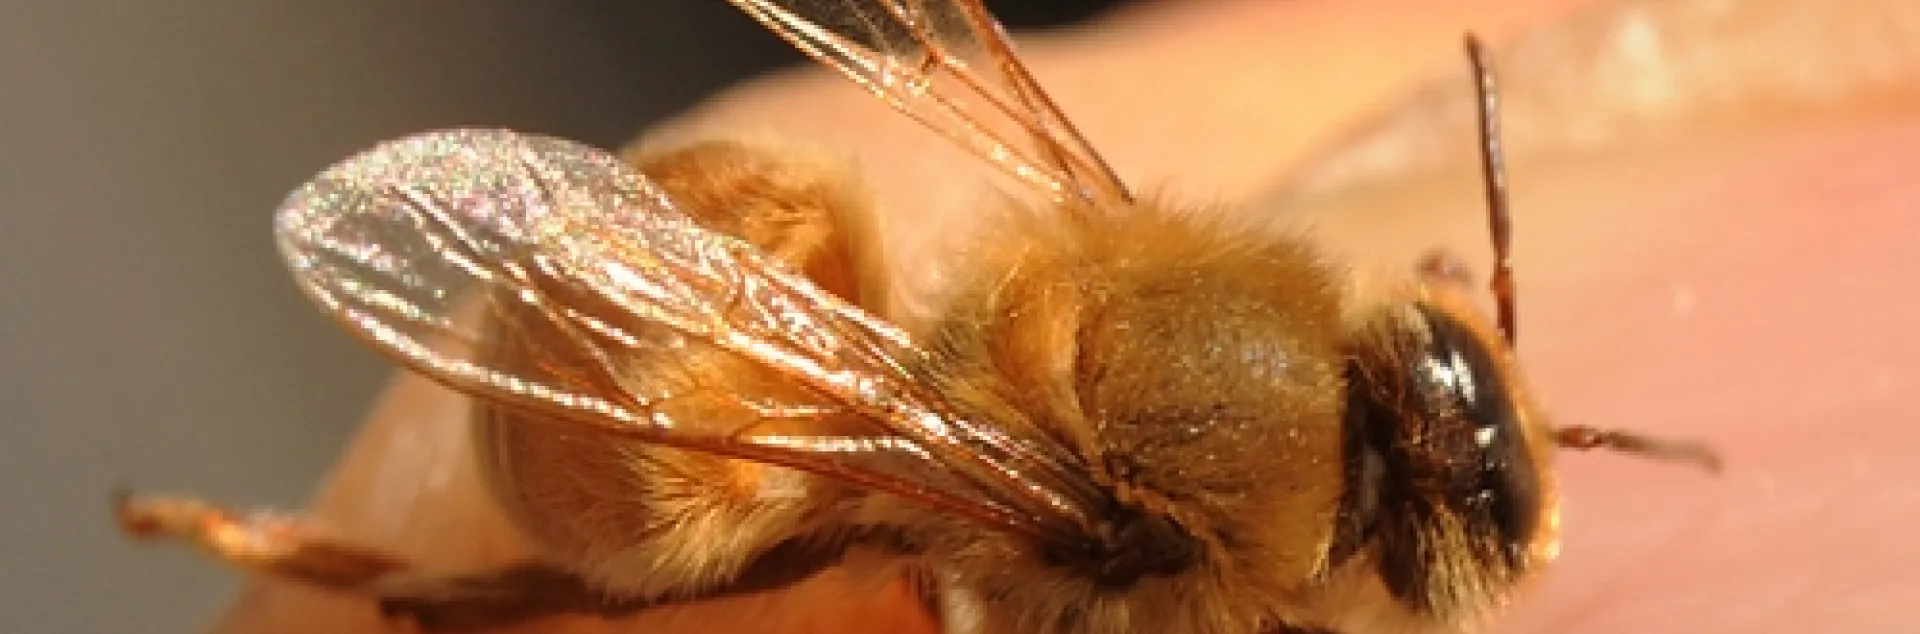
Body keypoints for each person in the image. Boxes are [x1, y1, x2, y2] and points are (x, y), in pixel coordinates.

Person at [210, 0, 1920, 631]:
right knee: (790, 521)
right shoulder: (1161, 524)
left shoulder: (1203, 275)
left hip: (756, 246)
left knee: (823, 270)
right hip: (676, 407)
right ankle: (430, 592)